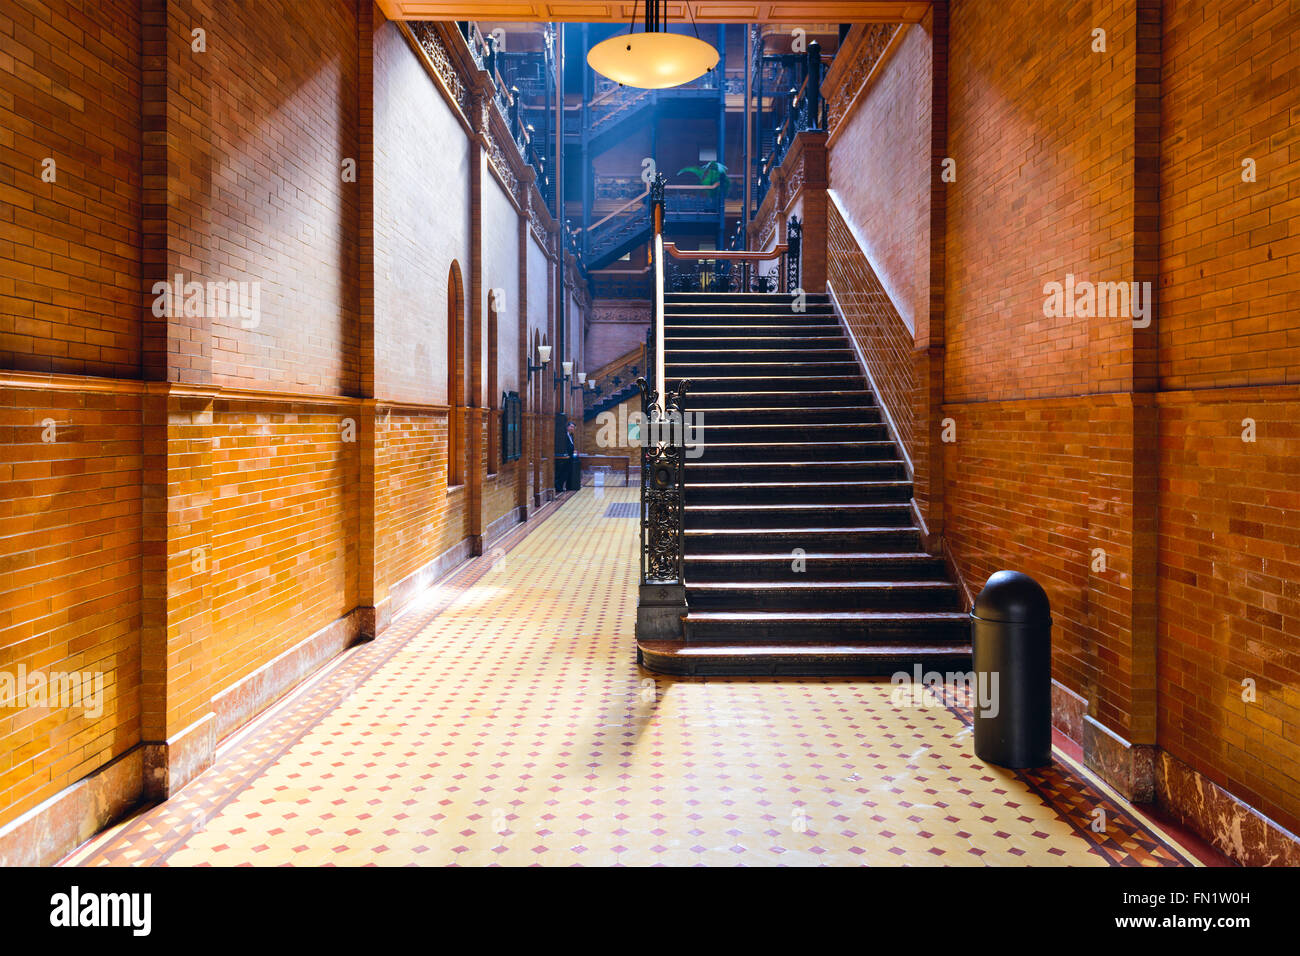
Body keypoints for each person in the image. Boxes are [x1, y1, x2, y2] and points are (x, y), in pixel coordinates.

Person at [556, 421, 579, 492]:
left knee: (567, 472)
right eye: (571, 427)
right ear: (567, 427)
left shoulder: (571, 435)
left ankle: (563, 486)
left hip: (570, 457)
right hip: (565, 457)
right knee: (562, 472)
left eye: (573, 427)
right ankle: (558, 487)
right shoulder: (563, 435)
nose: (572, 428)